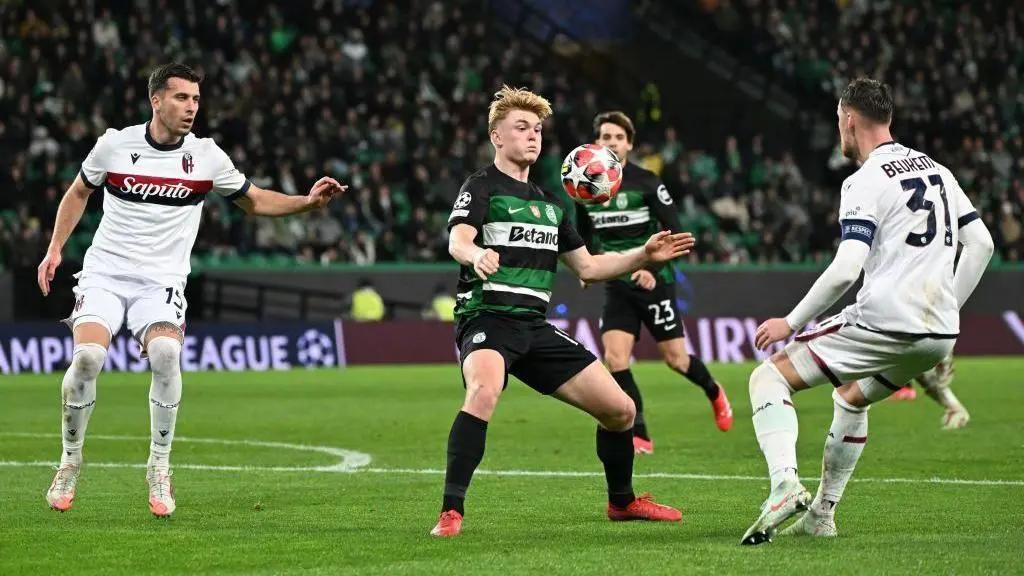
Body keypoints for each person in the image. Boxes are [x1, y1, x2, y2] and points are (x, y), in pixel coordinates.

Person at [38, 63, 344, 517]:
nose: (191, 107)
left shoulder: (206, 157)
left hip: (161, 281)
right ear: (156, 100)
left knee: (166, 354)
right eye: (181, 97)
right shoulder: (115, 145)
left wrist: (307, 202)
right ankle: (69, 462)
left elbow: (254, 200)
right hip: (106, 273)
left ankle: (159, 468)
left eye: (196, 99)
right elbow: (79, 192)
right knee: (87, 359)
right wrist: (54, 249)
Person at [738, 78, 993, 545]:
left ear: (850, 119)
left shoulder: (864, 180)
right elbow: (982, 244)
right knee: (852, 397)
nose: (839, 128)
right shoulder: (938, 171)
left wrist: (789, 323)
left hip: (885, 320)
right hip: (937, 334)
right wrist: (948, 311)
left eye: (839, 119)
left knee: (768, 377)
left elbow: (845, 270)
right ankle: (821, 516)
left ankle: (783, 485)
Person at [432, 85, 694, 537]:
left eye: (537, 129)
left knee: (622, 410)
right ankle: (451, 512)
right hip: (488, 318)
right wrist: (475, 255)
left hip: (534, 328)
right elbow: (458, 239)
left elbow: (589, 267)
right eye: (521, 127)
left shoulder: (552, 205)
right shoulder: (481, 186)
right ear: (497, 136)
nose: (532, 135)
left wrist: (643, 255)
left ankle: (622, 502)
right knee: (484, 391)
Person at [576, 111, 733, 455]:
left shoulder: (647, 182)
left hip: (654, 282)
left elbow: (677, 234)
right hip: (617, 282)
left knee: (676, 360)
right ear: (596, 143)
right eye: (605, 137)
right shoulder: (586, 188)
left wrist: (651, 267)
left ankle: (713, 390)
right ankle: (639, 432)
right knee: (615, 359)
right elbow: (584, 238)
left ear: (629, 144)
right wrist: (586, 268)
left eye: (619, 137)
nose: (612, 142)